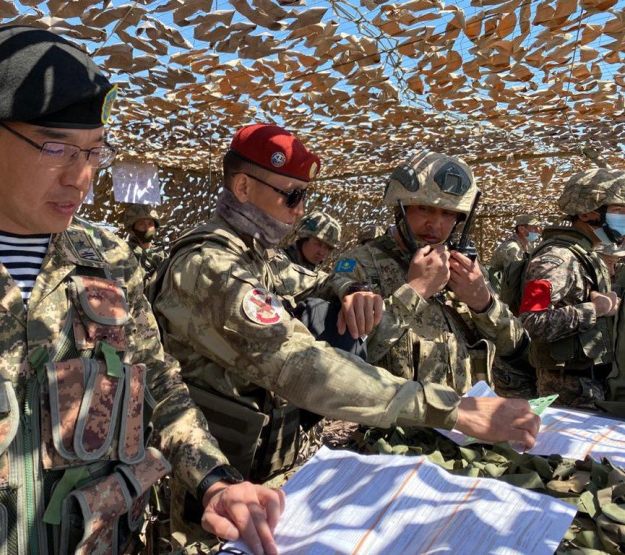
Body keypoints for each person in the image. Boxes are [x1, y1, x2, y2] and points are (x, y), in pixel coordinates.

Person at [0, 26, 283, 555]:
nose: (82, 177)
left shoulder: (108, 259)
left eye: (95, 152)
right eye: (57, 148)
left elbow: (158, 386)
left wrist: (215, 481)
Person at [152, 124, 540, 486]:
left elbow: (314, 279)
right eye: (293, 196)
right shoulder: (211, 266)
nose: (300, 211)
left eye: (448, 214)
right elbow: (304, 367)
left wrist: (481, 302)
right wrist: (454, 408)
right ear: (242, 187)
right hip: (217, 480)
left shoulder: (259, 257)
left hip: (268, 465)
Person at [333, 151, 530, 396]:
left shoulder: (463, 267)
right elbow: (342, 361)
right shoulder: (359, 265)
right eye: (424, 209)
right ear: (401, 209)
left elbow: (514, 346)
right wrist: (415, 291)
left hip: (469, 417)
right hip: (398, 420)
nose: (435, 225)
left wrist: (484, 304)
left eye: (448, 214)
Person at [520, 168, 625, 408]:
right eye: (619, 210)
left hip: (590, 383)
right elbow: (531, 322)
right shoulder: (556, 259)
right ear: (587, 213)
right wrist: (594, 310)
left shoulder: (586, 254)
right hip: (567, 390)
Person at [488, 214, 542, 292]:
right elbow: (515, 277)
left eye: (538, 227)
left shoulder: (529, 244)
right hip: (500, 287)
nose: (538, 230)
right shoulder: (512, 248)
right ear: (521, 229)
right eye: (534, 227)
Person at [126, 202, 166, 284]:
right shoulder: (125, 252)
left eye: (150, 224)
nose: (147, 228)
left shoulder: (161, 253)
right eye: (142, 224)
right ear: (132, 230)